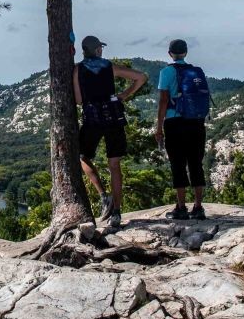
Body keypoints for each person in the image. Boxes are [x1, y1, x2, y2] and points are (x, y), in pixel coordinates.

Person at [73, 35, 148, 225]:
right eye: (100, 48)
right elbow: (141, 77)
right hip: (114, 116)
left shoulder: (77, 70)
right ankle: (116, 212)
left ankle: (103, 195)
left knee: (82, 156)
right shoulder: (109, 67)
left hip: (93, 118)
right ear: (98, 50)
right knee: (114, 164)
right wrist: (124, 95)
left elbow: (79, 100)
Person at [155, 39, 211, 221]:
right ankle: (198, 207)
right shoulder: (196, 71)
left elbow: (164, 100)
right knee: (196, 162)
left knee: (178, 164)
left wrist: (158, 127)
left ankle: (181, 207)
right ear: (186, 53)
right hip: (196, 122)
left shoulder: (166, 72)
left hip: (174, 122)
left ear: (170, 53)